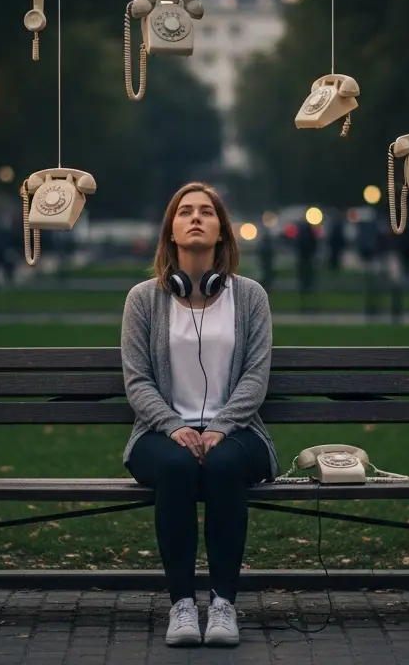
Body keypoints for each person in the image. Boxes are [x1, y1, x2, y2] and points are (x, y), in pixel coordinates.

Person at [120, 182, 278, 648]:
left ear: (222, 233)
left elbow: (255, 377)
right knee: (177, 464)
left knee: (226, 463)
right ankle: (183, 605)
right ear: (170, 232)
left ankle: (224, 603)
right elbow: (138, 381)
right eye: (184, 211)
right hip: (159, 434)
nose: (194, 218)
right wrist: (175, 427)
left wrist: (221, 428)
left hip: (239, 432)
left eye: (206, 212)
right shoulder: (143, 300)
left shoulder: (249, 298)